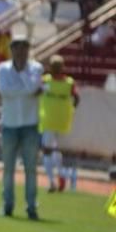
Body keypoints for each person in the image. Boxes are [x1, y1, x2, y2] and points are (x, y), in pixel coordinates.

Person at [0, 37, 43, 219]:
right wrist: (27, 89)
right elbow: (5, 91)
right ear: (12, 50)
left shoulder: (36, 68)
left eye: (24, 49)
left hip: (30, 124)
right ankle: (8, 205)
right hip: (10, 124)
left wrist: (23, 79)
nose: (21, 52)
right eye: (17, 48)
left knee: (31, 168)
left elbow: (32, 88)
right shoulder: (3, 69)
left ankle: (32, 206)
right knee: (8, 168)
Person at [39, 55, 79, 193]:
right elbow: (76, 99)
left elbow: (35, 93)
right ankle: (62, 176)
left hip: (49, 120)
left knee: (48, 151)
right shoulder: (69, 82)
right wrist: (71, 110)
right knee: (57, 150)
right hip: (63, 121)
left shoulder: (46, 81)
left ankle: (52, 181)